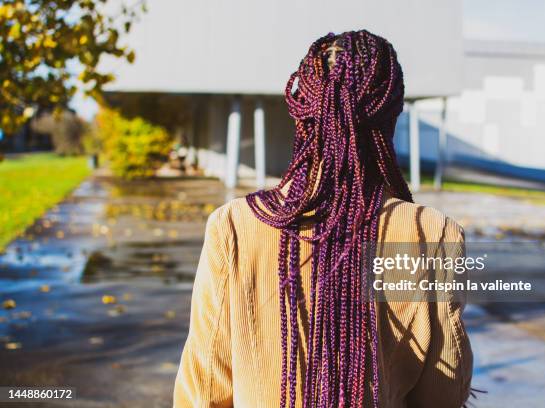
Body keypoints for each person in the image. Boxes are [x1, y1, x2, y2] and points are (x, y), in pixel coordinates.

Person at [174, 30, 473, 408]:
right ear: (390, 114)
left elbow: (203, 393)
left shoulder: (234, 225)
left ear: (301, 108)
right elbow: (443, 394)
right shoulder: (430, 233)